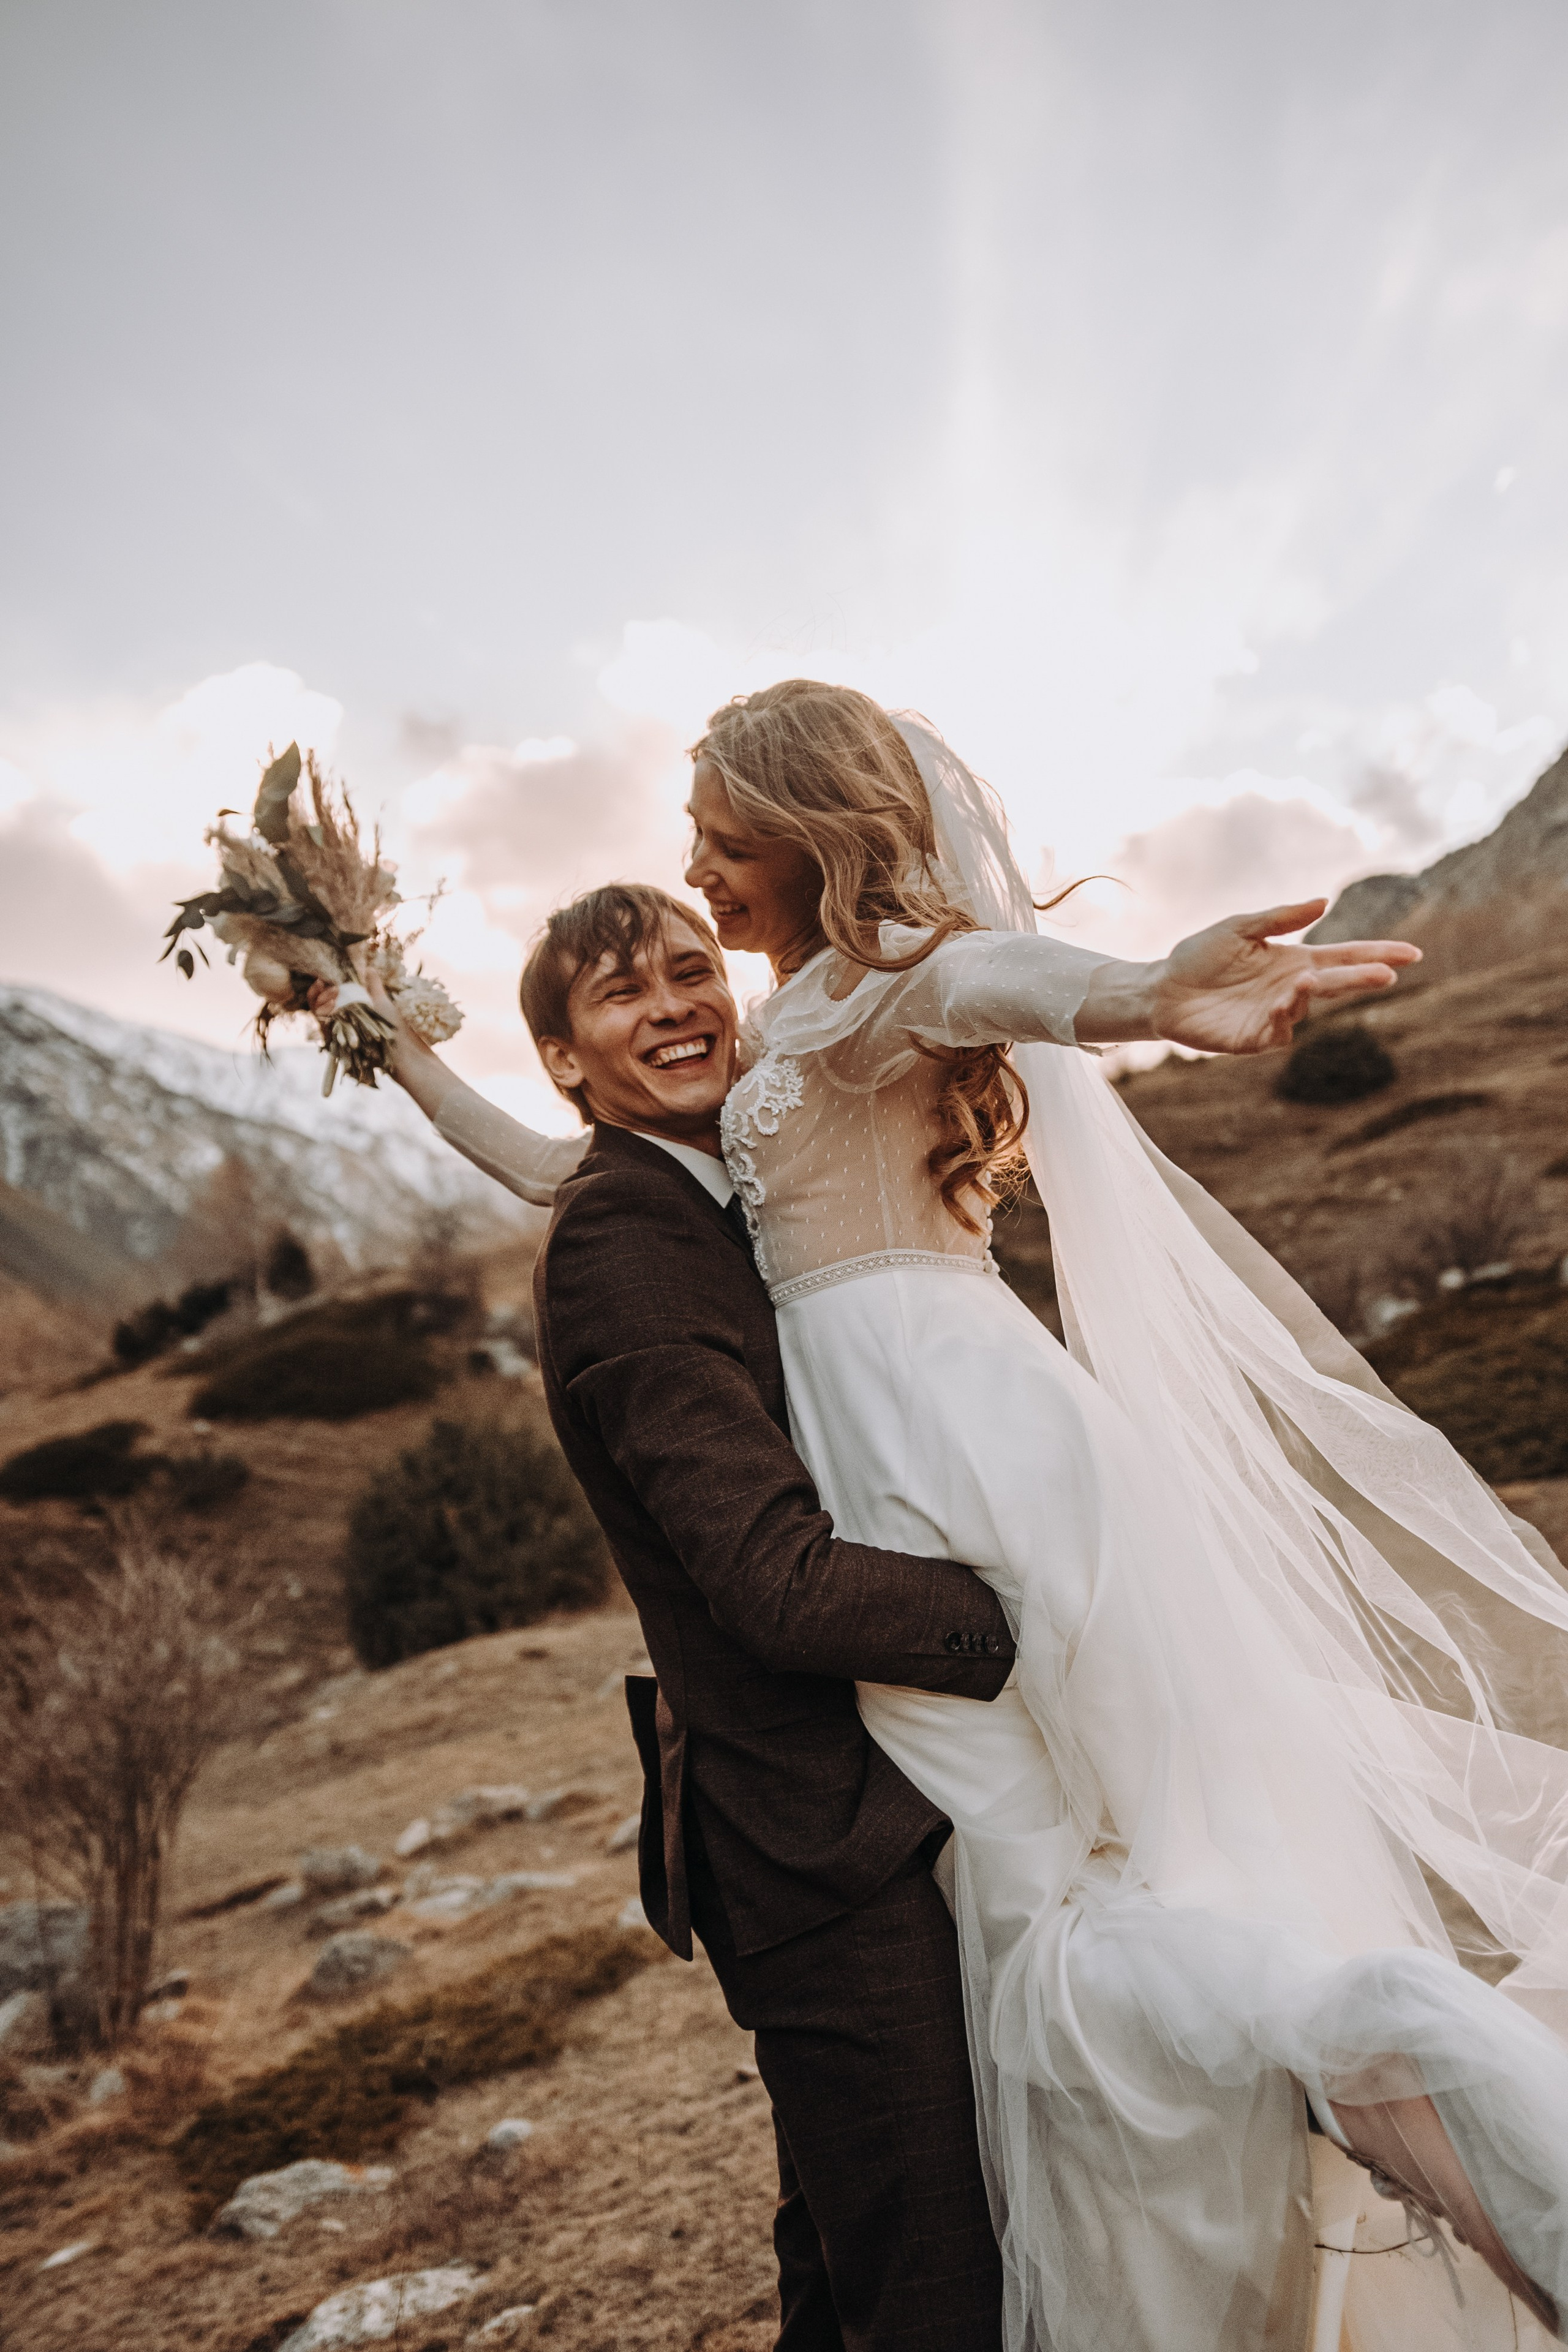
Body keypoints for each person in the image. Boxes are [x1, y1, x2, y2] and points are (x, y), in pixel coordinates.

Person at [323, 683, 1568, 2351]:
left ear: (795, 831)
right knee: (1069, 1911)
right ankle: (1404, 2103)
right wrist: (402, 1055)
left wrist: (1138, 996)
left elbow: (995, 976)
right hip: (919, 1457)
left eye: (716, 840)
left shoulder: (874, 988)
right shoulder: (772, 1043)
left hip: (955, 1462)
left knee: (1091, 1911)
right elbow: (567, 1167)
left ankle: (1397, 2078)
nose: (696, 870)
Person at [324, 886, 1020, 2351]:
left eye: (689, 971)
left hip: (867, 1803)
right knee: (930, 2285)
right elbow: (774, 1584)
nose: (676, 1007)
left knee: (849, 2262)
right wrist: (1025, 1621)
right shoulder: (621, 1248)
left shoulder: (720, 1182)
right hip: (808, 1844)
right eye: (622, 997)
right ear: (566, 1060)